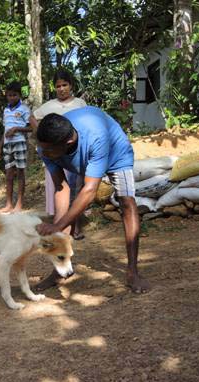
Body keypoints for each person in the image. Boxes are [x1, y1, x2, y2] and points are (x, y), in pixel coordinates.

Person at [34, 106, 150, 294]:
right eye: (42, 147)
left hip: (115, 154)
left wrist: (58, 226)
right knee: (63, 220)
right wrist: (58, 227)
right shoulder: (47, 145)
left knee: (127, 202)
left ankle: (132, 272)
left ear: (68, 141)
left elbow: (89, 191)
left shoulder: (96, 137)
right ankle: (59, 273)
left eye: (47, 149)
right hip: (76, 156)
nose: (42, 152)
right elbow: (61, 187)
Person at [29, 69, 87, 239]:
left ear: (71, 85)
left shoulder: (80, 104)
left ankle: (75, 228)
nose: (61, 88)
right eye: (58, 86)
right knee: (61, 188)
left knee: (77, 189)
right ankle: (60, 226)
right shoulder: (49, 106)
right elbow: (32, 117)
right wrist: (40, 132)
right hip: (56, 153)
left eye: (65, 85)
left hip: (75, 152)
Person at [0, 81, 32, 213]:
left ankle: (20, 204)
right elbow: (5, 130)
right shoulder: (5, 110)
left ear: (19, 95)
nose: (11, 98)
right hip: (7, 145)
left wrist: (16, 129)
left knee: (21, 173)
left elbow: (32, 127)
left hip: (20, 143)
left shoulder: (25, 109)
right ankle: (9, 204)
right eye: (9, 95)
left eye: (14, 95)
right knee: (9, 174)